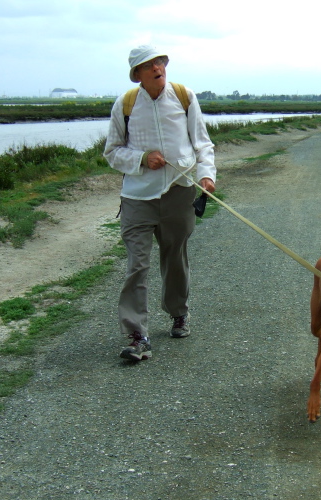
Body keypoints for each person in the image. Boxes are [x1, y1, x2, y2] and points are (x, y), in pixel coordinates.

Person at [103, 45, 216, 362]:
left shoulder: (183, 96)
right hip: (137, 198)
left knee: (175, 258)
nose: (157, 68)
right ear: (137, 74)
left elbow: (202, 143)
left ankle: (179, 313)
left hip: (180, 191)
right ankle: (137, 335)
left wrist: (206, 176)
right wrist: (141, 159)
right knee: (137, 266)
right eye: (148, 65)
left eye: (160, 62)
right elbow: (111, 152)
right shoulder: (125, 105)